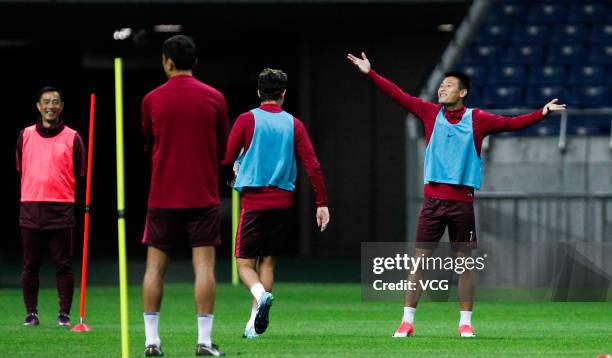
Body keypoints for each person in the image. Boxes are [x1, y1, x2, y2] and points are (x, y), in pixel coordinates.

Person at [347, 52, 566, 338]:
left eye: (448, 86)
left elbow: (512, 124)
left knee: (464, 265)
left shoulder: (478, 120)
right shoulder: (429, 113)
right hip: (433, 202)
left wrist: (543, 112)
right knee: (419, 263)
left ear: (463, 92)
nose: (442, 89)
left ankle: (465, 323)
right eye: (441, 85)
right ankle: (407, 321)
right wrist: (371, 74)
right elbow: (398, 95)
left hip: (462, 203)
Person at [222, 68, 330, 339]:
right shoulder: (294, 124)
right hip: (282, 204)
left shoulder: (247, 120)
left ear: (259, 92)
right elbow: (313, 165)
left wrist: (229, 176)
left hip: (254, 202)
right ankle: (252, 327)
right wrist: (322, 202)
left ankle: (261, 295)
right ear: (283, 94)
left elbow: (226, 157)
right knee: (267, 262)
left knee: (244, 264)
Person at [140, 35, 228, 357]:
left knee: (154, 268)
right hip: (202, 195)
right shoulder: (216, 97)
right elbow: (222, 148)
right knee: (204, 267)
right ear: (195, 62)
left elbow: (147, 142)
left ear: (167, 61)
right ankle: (204, 342)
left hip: (162, 195)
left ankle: (152, 342)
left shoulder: (151, 99)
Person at [16, 87, 85, 327]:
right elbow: (20, 167)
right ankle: (31, 313)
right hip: (31, 206)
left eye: (55, 102)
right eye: (46, 102)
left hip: (61, 207)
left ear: (62, 106)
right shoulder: (25, 135)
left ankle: (64, 314)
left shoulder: (73, 137)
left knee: (63, 265)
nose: (50, 106)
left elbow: (79, 172)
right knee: (30, 265)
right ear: (38, 106)